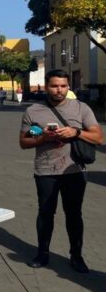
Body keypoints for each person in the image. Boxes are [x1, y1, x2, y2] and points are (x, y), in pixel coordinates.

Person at [18, 69, 102, 273]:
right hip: (45, 170)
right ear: (46, 86)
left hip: (73, 170)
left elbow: (98, 137)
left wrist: (76, 132)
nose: (59, 90)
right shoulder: (33, 111)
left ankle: (77, 256)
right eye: (55, 86)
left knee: (74, 214)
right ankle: (42, 253)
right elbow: (23, 142)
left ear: (68, 87)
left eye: (63, 86)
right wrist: (43, 138)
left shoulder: (81, 108)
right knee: (45, 213)